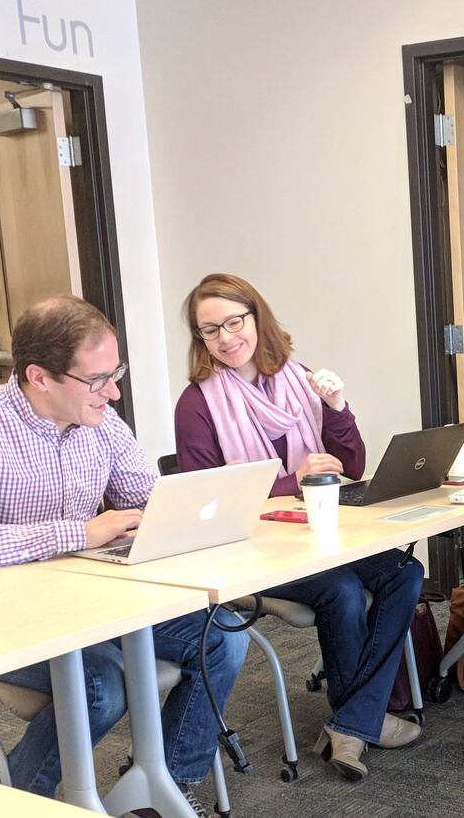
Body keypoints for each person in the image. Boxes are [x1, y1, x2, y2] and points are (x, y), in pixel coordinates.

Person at [0, 295, 246, 814]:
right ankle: (14, 800)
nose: (112, 392)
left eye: (115, 373)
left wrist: (186, 518)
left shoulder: (103, 423)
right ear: (39, 377)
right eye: (96, 380)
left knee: (222, 639)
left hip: (89, 601)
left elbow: (147, 499)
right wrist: (77, 533)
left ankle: (162, 784)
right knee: (102, 687)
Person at [174, 273, 423, 783]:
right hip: (254, 552)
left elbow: (351, 465)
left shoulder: (297, 377)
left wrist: (336, 409)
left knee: (404, 571)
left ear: (256, 317)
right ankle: (359, 725)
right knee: (343, 590)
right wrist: (293, 480)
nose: (224, 338)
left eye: (233, 322)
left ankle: (353, 722)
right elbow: (212, 504)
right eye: (209, 330)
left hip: (314, 535)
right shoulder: (197, 405)